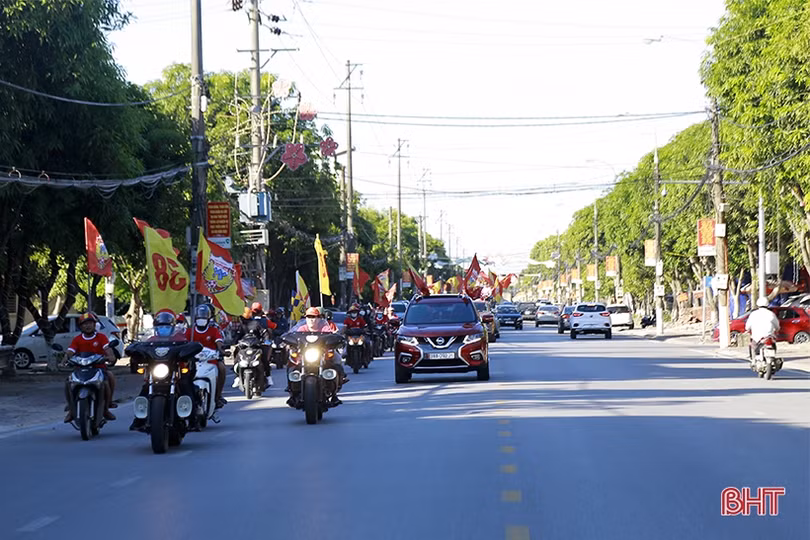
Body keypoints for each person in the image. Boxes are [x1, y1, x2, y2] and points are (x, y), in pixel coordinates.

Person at [129, 310, 198, 431]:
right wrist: (135, 349)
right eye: (160, 326)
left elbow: (190, 347)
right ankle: (139, 419)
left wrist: (190, 349)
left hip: (175, 372)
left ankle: (193, 418)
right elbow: (140, 348)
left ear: (173, 326)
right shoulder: (150, 340)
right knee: (145, 388)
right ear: (155, 327)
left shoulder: (180, 338)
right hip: (156, 373)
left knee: (186, 385)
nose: (163, 329)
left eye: (166, 326)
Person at [64, 313, 117, 422]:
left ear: (94, 325)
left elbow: (108, 349)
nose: (87, 326)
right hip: (80, 369)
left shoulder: (101, 337)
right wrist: (65, 359)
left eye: (90, 323)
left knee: (109, 378)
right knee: (68, 382)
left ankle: (106, 408)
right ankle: (71, 410)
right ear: (81, 326)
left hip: (99, 368)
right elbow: (70, 351)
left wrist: (110, 356)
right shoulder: (77, 339)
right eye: (84, 324)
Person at [186, 304, 227, 408]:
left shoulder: (214, 330)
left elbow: (219, 343)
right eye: (199, 316)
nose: (201, 319)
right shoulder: (189, 331)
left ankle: (217, 396)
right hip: (193, 360)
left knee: (222, 368)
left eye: (204, 316)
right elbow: (183, 344)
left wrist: (222, 351)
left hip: (210, 359)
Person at [745, 296, 780, 363]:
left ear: (758, 305)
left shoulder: (753, 314)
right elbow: (777, 326)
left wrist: (748, 329)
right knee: (773, 345)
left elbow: (747, 327)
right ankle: (772, 358)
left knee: (752, 345)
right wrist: (777, 330)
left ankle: (753, 360)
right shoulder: (771, 314)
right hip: (769, 336)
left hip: (757, 338)